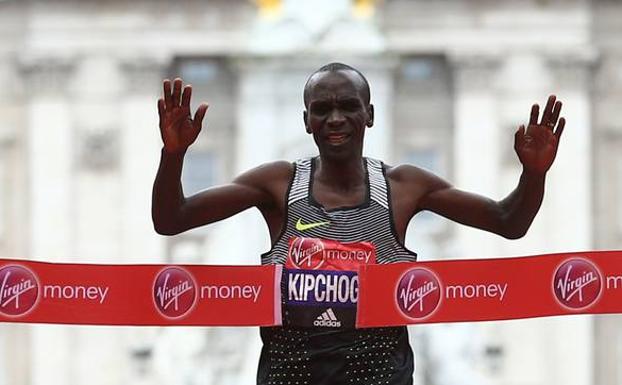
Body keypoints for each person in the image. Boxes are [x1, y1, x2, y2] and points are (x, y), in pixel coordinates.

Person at [152, 62, 565, 385]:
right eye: (322, 109)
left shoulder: (404, 187)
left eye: (348, 106)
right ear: (306, 119)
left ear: (369, 114)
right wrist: (173, 155)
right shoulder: (278, 184)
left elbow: (508, 221)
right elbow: (172, 220)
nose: (335, 119)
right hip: (291, 376)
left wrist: (534, 173)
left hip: (381, 376)